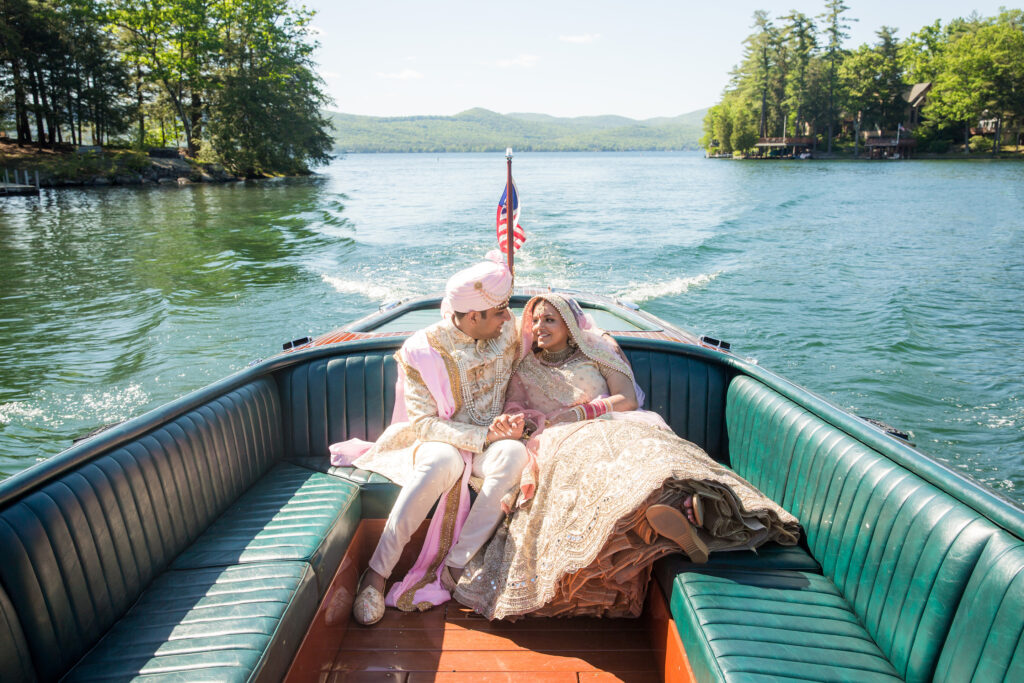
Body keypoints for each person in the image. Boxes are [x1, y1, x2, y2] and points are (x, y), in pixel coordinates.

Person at [452, 294, 800, 620]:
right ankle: (681, 514)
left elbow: (627, 400)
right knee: (595, 470)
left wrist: (584, 412)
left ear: (571, 327)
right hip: (563, 440)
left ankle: (696, 503)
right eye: (536, 320)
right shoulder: (523, 368)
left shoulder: (599, 351)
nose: (539, 327)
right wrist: (515, 421)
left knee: (652, 452)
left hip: (619, 422)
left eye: (550, 320)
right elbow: (516, 410)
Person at [337, 253, 530, 626]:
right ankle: (376, 574)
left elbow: (562, 335)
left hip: (492, 443)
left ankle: (455, 567)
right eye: (501, 311)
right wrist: (480, 433)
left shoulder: (508, 333)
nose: (509, 318)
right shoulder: (421, 350)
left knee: (512, 455)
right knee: (444, 461)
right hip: (438, 439)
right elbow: (423, 423)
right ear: (473, 316)